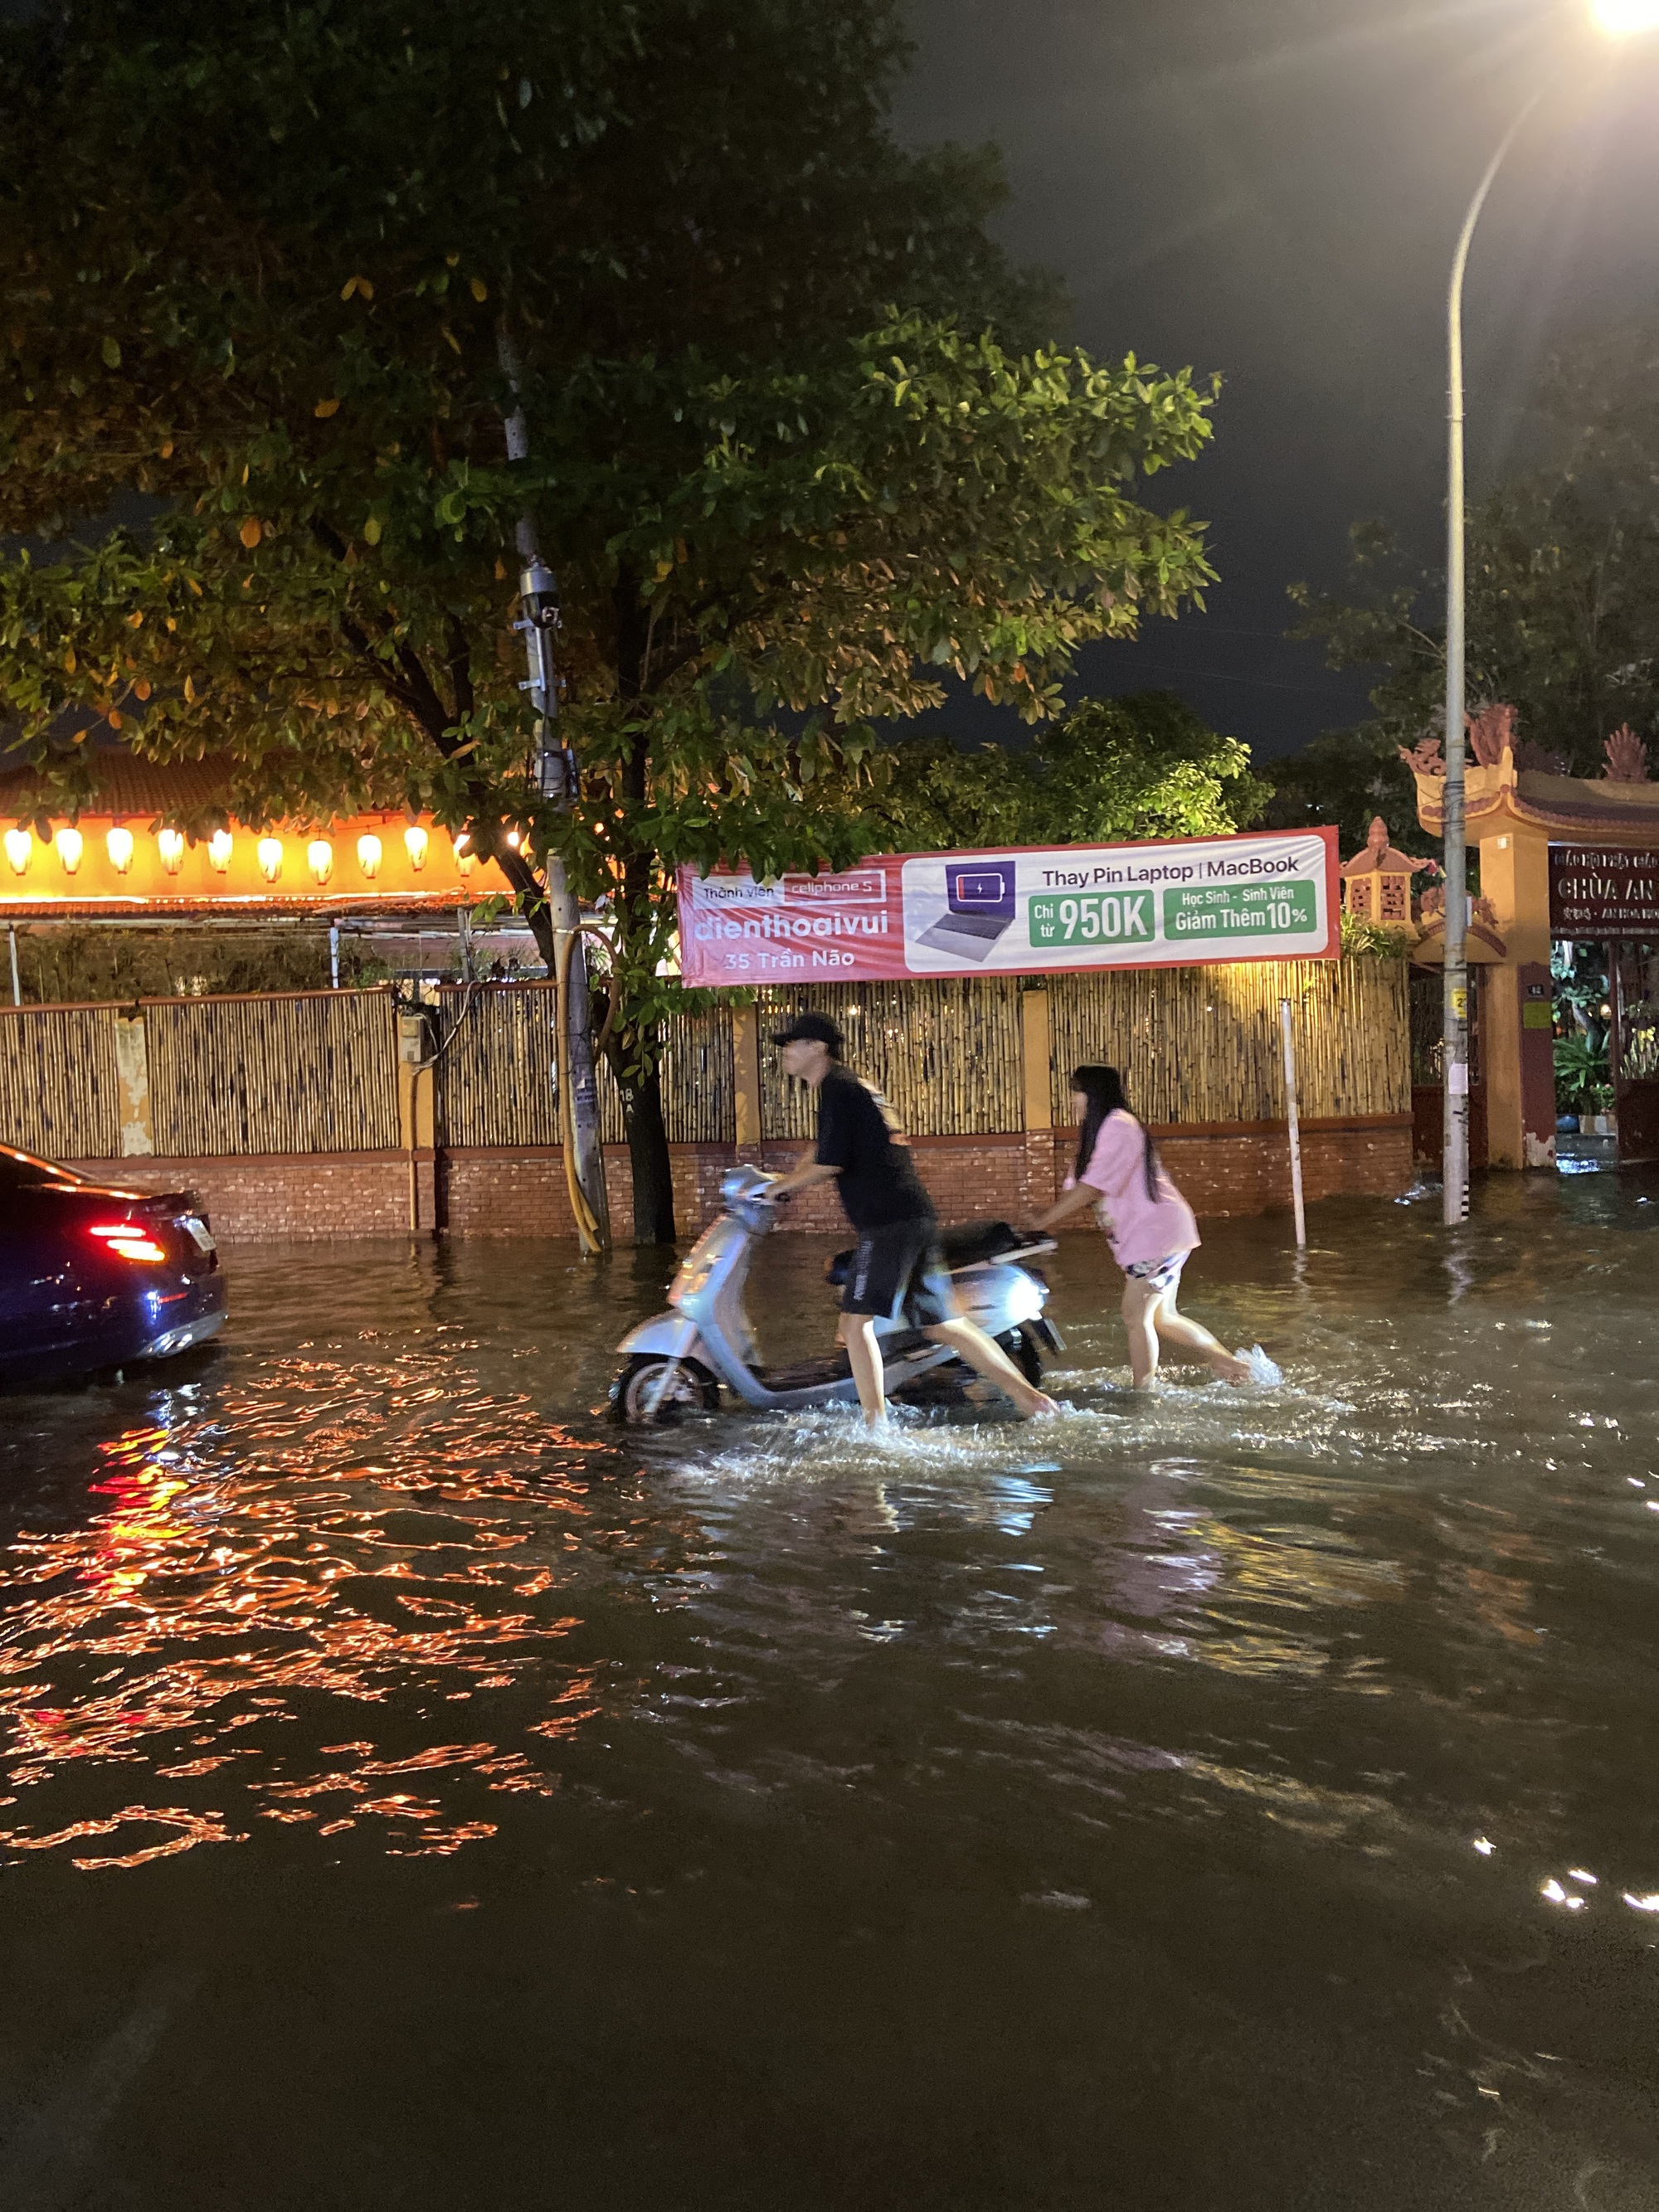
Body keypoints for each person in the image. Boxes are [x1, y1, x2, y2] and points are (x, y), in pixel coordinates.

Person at [766, 1012, 1058, 1428]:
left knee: (854, 1324)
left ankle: (875, 1425)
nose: (786, 1053)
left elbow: (830, 1162)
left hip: (888, 1224)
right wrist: (786, 1180)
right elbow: (823, 1149)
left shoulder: (838, 1089)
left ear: (818, 1047)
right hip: (911, 1217)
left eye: (792, 1044)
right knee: (946, 1325)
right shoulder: (851, 1087)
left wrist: (779, 1189)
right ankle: (1034, 1402)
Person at [1033, 1064, 1252, 1391]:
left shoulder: (1119, 1125)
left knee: (1136, 1317)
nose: (1071, 1100)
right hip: (1152, 1235)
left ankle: (1143, 1393)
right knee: (1164, 1317)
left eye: (1076, 1092)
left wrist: (1043, 1221)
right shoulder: (1100, 1132)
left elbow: (1091, 1188)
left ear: (1092, 1094)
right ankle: (1233, 1365)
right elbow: (1081, 1186)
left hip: (1156, 1235)